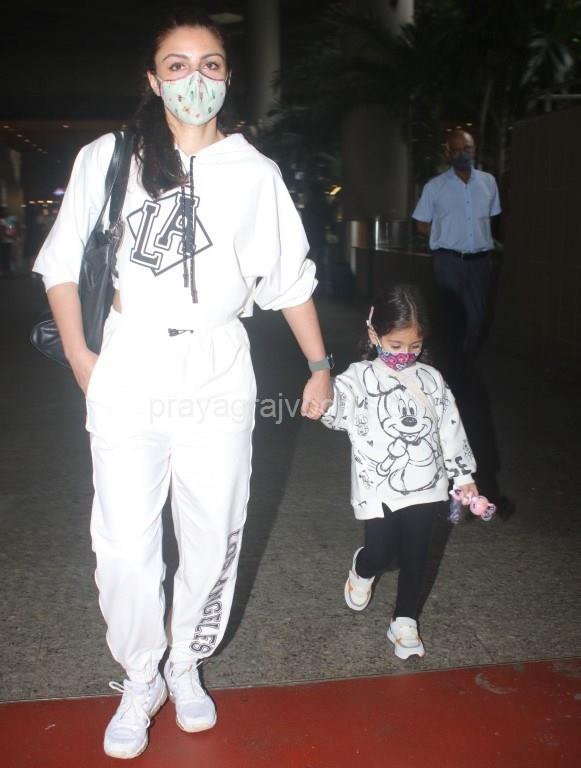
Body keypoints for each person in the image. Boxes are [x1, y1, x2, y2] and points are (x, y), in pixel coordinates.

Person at [33, 9, 332, 760]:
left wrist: (320, 365)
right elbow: (61, 263)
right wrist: (81, 357)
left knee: (213, 530)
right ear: (153, 79)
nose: (193, 79)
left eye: (210, 64)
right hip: (129, 360)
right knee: (124, 542)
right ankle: (141, 676)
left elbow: (289, 280)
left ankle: (186, 661)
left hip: (217, 365)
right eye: (176, 65)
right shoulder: (109, 157)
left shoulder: (253, 173)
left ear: (227, 78)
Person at [320, 283, 477, 659]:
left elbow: (450, 427)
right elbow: (337, 411)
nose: (405, 354)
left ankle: (404, 620)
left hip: (428, 484)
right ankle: (364, 567)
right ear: (374, 333)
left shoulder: (431, 379)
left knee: (416, 554)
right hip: (379, 487)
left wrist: (463, 476)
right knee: (381, 553)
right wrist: (322, 403)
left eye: (414, 346)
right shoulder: (358, 377)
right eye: (395, 345)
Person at [412, 129, 501, 388]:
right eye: (457, 150)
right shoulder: (435, 187)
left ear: (474, 150)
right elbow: (420, 224)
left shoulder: (488, 183)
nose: (463, 154)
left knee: (477, 318)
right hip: (448, 261)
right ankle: (454, 367)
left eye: (467, 149)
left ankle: (463, 359)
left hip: (480, 262)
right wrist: (445, 232)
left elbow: (492, 218)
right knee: (451, 316)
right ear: (448, 153)